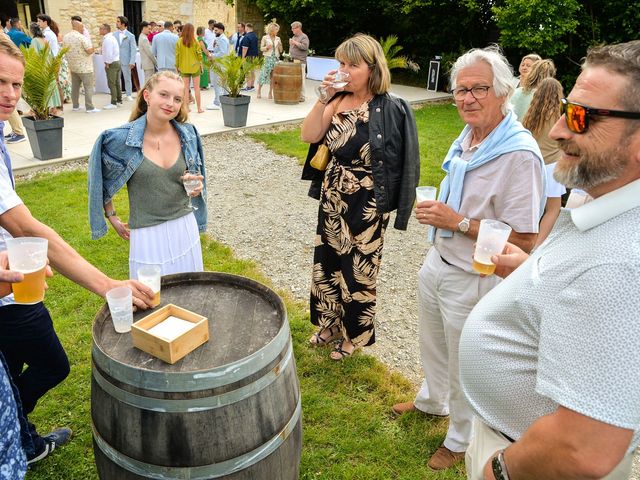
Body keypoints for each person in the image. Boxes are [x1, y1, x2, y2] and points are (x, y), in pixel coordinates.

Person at [459, 39, 640, 480]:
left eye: (581, 117)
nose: (558, 129)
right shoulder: (602, 199)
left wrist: (499, 471)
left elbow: (584, 449)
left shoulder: (618, 264)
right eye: (566, 107)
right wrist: (528, 271)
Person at [0, 35, 153, 466]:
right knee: (48, 366)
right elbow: (27, 226)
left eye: (16, 84)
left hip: (12, 276)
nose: (11, 94)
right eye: (1, 82)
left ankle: (22, 434)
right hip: (10, 289)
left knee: (11, 370)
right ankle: (19, 434)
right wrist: (107, 285)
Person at [392, 45, 545, 471]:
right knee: (433, 344)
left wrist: (459, 222)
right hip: (439, 260)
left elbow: (526, 239)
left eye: (478, 89)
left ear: (503, 93)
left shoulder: (519, 154)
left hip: (474, 276)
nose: (466, 98)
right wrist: (447, 224)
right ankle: (432, 401)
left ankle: (460, 438)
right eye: (460, 90)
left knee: (464, 362)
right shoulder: (470, 138)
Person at [301, 34, 419, 361]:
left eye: (353, 64)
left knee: (358, 269)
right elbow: (309, 135)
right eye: (341, 63)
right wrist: (323, 98)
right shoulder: (336, 100)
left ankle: (354, 334)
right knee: (327, 263)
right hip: (332, 194)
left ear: (372, 68)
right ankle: (330, 323)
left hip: (368, 201)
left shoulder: (392, 107)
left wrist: (401, 209)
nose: (345, 70)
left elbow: (409, 160)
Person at [88, 71, 207, 278]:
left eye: (177, 99)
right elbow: (100, 181)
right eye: (164, 95)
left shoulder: (189, 134)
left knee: (191, 293)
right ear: (147, 96)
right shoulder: (119, 139)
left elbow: (195, 177)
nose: (170, 103)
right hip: (147, 235)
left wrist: (195, 186)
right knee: (151, 299)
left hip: (185, 228)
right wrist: (112, 216)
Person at [522, 77, 566, 247]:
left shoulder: (531, 115)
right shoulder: (559, 117)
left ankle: (525, 239)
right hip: (551, 166)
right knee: (552, 210)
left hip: (533, 164)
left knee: (530, 207)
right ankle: (536, 245)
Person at [63, 20, 99, 113]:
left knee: (75, 87)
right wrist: (95, 48)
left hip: (73, 66)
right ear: (78, 27)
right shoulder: (81, 38)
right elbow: (89, 50)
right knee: (88, 87)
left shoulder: (66, 37)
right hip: (85, 67)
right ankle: (90, 107)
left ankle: (75, 105)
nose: (83, 29)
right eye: (82, 27)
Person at [29, 23, 63, 113]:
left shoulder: (35, 41)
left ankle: (44, 108)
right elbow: (51, 53)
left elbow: (34, 55)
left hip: (41, 66)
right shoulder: (44, 40)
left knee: (43, 87)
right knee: (51, 86)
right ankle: (54, 108)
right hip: (48, 65)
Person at [175, 23, 204, 113]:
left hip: (183, 67)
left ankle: (187, 108)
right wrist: (200, 64)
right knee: (197, 88)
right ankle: (199, 108)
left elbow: (177, 55)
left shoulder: (179, 41)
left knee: (186, 89)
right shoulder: (195, 41)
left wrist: (177, 66)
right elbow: (200, 55)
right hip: (195, 67)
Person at [206, 22, 229, 111]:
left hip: (220, 64)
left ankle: (217, 102)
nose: (214, 31)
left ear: (221, 30)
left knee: (217, 83)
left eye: (216, 30)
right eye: (214, 30)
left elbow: (222, 53)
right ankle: (223, 101)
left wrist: (212, 55)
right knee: (222, 84)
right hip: (220, 63)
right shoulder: (219, 38)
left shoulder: (222, 39)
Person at [257, 22, 282, 99]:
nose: (277, 31)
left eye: (277, 29)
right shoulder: (265, 37)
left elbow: (280, 51)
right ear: (272, 29)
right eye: (276, 29)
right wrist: (267, 47)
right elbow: (261, 48)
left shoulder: (278, 38)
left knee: (273, 77)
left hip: (275, 59)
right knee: (263, 75)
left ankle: (270, 93)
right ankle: (259, 91)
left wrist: (280, 45)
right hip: (267, 58)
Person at [99, 23, 121, 109]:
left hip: (112, 63)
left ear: (105, 30)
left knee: (111, 83)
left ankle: (114, 102)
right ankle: (119, 100)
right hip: (116, 61)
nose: (99, 30)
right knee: (116, 82)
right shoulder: (112, 38)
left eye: (101, 29)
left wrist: (107, 63)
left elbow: (109, 53)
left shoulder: (107, 39)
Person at [115, 16, 137, 101]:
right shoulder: (114, 35)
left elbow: (133, 49)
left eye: (118, 21)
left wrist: (132, 61)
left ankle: (128, 94)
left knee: (127, 78)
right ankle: (118, 95)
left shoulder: (130, 36)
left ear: (123, 24)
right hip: (116, 60)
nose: (116, 23)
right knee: (116, 79)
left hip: (126, 60)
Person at [289, 21, 309, 101]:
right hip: (293, 61)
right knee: (294, 79)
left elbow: (305, 47)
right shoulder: (294, 37)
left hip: (300, 61)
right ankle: (296, 94)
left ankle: (302, 96)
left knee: (301, 79)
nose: (292, 30)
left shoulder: (304, 37)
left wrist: (295, 43)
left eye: (293, 28)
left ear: (298, 28)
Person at [240, 23, 259, 91]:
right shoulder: (255, 36)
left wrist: (243, 57)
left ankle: (248, 87)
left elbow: (245, 48)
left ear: (246, 28)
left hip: (248, 56)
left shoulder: (247, 36)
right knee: (252, 71)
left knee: (248, 72)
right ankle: (252, 86)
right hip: (254, 56)